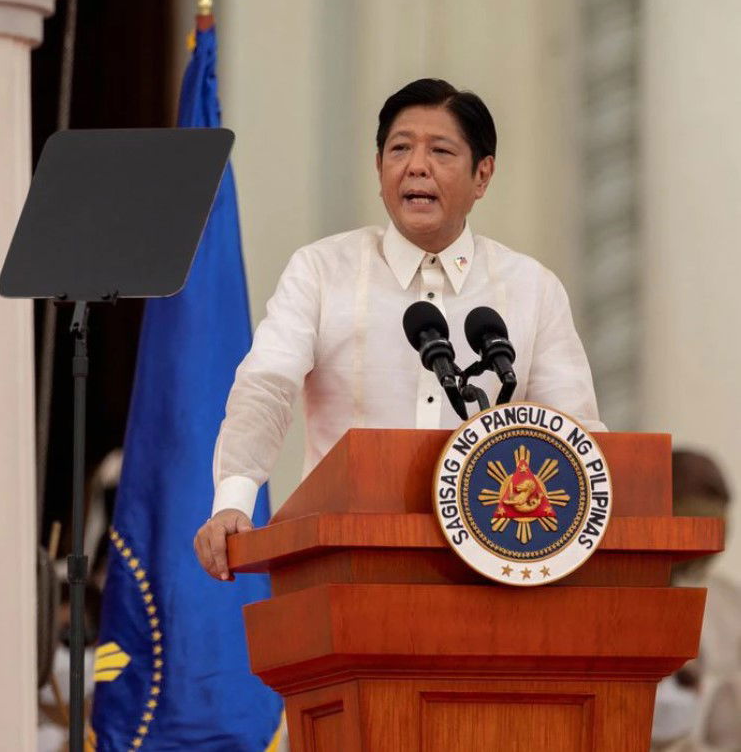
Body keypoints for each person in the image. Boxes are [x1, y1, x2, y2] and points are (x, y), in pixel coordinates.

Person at [194, 78, 605, 581]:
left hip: (493, 573)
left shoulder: (531, 288)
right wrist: (234, 499)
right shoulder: (322, 271)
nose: (416, 165)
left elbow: (575, 433)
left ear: (483, 174)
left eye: (441, 151)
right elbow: (268, 383)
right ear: (379, 168)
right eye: (400, 148)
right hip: (342, 568)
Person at [652, 450, 739, 751]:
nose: (712, 545)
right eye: (696, 526)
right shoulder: (618, 595)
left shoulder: (729, 604)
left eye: (718, 529)